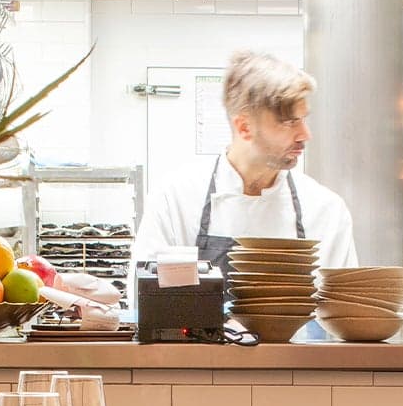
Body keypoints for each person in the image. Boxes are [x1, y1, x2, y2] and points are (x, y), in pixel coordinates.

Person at [133, 50, 358, 275]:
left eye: (303, 120)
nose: (304, 134)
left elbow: (343, 307)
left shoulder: (325, 210)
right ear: (244, 127)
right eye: (289, 122)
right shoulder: (176, 201)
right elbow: (148, 300)